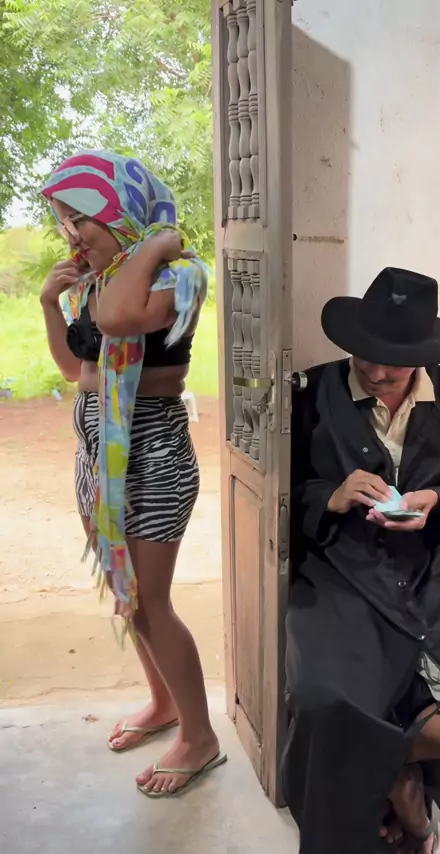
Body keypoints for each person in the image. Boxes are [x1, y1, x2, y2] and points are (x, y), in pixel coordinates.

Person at [39, 150, 226, 796]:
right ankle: (164, 703)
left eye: (80, 218)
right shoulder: (102, 280)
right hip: (98, 454)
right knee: (128, 595)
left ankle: (199, 737)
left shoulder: (178, 275)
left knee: (151, 603)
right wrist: (50, 300)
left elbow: (123, 321)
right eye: (64, 222)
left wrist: (156, 242)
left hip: (153, 455)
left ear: (119, 211)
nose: (71, 234)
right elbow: (75, 370)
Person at [283, 267, 440, 854]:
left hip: (431, 574)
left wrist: (438, 502)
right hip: (341, 574)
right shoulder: (311, 393)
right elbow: (275, 490)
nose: (375, 371)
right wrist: (330, 496)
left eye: (394, 362)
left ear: (422, 356)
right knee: (324, 700)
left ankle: (394, 771)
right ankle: (395, 802)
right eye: (365, 354)